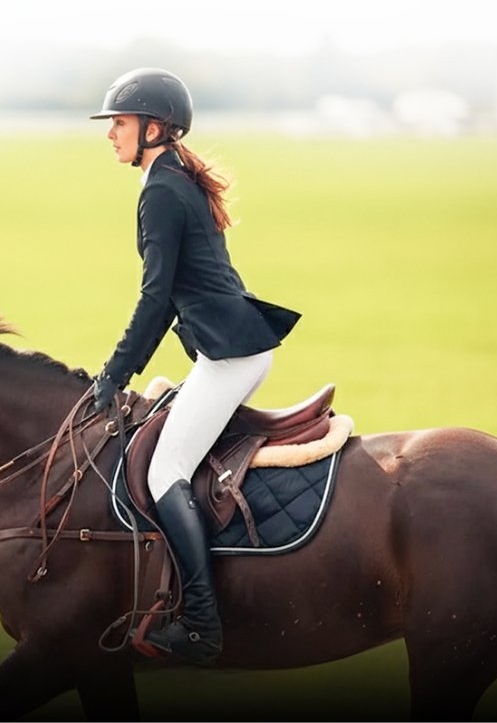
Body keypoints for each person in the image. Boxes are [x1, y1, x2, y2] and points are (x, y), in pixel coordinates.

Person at [89, 67, 301, 665]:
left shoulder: (160, 188)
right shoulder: (174, 175)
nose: (110, 135)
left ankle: (203, 625)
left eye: (120, 124)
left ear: (154, 128)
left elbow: (154, 299)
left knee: (164, 473)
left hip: (230, 356)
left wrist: (114, 374)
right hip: (230, 347)